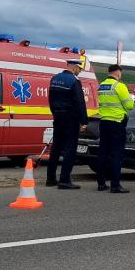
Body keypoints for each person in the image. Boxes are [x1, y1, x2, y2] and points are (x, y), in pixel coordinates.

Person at [46, 59, 89, 189]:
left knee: (56, 148)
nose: (79, 72)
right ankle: (64, 180)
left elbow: (50, 99)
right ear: (75, 67)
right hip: (71, 118)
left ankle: (51, 178)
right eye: (79, 69)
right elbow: (79, 102)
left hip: (58, 116)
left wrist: (55, 113)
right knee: (70, 148)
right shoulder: (74, 81)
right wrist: (84, 121)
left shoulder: (54, 79)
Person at [96, 64, 134, 193]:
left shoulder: (101, 85)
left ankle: (101, 183)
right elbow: (129, 105)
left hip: (104, 122)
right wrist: (131, 100)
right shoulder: (119, 86)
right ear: (118, 73)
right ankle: (115, 185)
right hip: (117, 123)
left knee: (103, 153)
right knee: (117, 154)